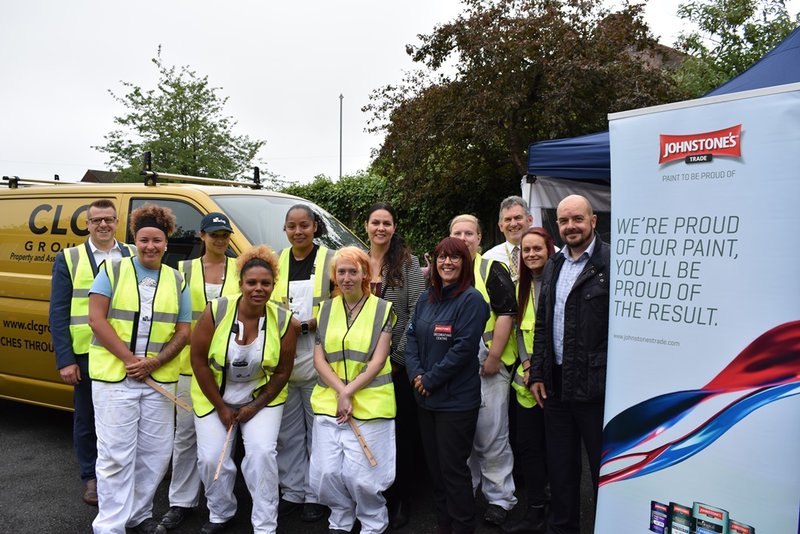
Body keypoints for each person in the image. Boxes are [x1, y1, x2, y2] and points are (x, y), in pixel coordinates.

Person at [88, 203, 191, 534]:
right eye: (144, 240)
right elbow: (96, 319)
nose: (151, 246)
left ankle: (138, 515)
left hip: (157, 380)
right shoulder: (113, 271)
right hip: (116, 377)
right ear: (135, 239)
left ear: (166, 242)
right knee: (116, 455)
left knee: (156, 454)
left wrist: (155, 362)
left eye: (157, 241)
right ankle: (110, 525)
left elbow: (184, 330)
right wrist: (131, 361)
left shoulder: (177, 280)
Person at [191, 245, 296, 534]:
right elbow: (198, 361)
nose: (258, 288)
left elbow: (283, 372)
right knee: (212, 457)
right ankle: (221, 512)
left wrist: (254, 407)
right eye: (252, 282)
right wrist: (222, 407)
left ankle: (264, 524)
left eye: (266, 283)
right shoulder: (216, 311)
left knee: (262, 454)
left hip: (260, 397)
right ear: (240, 284)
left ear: (274, 285)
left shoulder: (286, 321)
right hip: (214, 394)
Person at [530, 195, 609, 534]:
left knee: (603, 471)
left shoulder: (612, 263)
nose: (570, 226)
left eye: (577, 219)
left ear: (593, 220)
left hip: (597, 386)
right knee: (561, 469)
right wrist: (537, 372)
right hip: (556, 385)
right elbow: (543, 323)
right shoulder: (554, 264)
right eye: (564, 221)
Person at [49, 199, 135, 507]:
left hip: (126, 349)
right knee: (87, 417)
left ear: (116, 222)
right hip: (86, 352)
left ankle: (126, 470)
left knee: (126, 415)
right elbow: (58, 313)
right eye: (97, 220)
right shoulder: (69, 258)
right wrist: (66, 359)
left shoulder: (132, 253)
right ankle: (91, 477)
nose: (103, 225)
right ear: (87, 224)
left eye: (109, 219)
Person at [159, 212, 240, 530]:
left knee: (221, 439)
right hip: (188, 367)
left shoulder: (241, 269)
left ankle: (220, 502)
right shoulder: (183, 271)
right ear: (202, 237)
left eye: (224, 235)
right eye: (213, 234)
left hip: (230, 368)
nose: (219, 240)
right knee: (185, 437)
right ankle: (181, 501)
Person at [308, 246, 397, 534]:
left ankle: (373, 521)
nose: (347, 277)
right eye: (341, 272)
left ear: (365, 275)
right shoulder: (324, 310)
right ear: (334, 276)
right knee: (325, 473)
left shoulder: (382, 309)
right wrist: (340, 392)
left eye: (353, 271)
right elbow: (319, 358)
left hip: (371, 404)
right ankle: (341, 515)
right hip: (329, 402)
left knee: (363, 477)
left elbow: (378, 360)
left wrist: (349, 393)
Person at [405, 237, 489, 534]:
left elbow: (464, 349)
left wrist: (430, 379)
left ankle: (464, 526)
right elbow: (411, 337)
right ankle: (444, 525)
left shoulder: (472, 301)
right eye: (441, 257)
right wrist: (416, 373)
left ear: (465, 263)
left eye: (455, 258)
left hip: (455, 402)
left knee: (453, 471)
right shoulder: (426, 298)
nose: (447, 263)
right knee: (436, 471)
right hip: (426, 399)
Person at [450, 214, 518, 526]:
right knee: (463, 437)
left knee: (492, 437)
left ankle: (501, 499)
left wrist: (493, 358)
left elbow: (506, 313)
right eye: (457, 233)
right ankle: (469, 492)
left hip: (485, 368)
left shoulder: (491, 268)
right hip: (455, 371)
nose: (463, 238)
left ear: (479, 238)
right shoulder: (445, 270)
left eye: (469, 233)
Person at [364, 202, 426, 529]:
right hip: (361, 365)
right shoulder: (356, 261)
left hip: (396, 365)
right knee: (370, 430)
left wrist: (399, 358)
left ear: (394, 227)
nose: (381, 229)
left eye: (387, 223)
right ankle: (372, 495)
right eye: (376, 222)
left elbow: (417, 310)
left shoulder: (408, 263)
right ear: (366, 226)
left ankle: (402, 497)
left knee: (400, 432)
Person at [272, 204, 334, 523]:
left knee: (318, 428)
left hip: (317, 353)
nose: (298, 232)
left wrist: (306, 325)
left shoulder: (329, 261)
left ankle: (316, 494)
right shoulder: (277, 261)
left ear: (315, 227)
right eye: (292, 226)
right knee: (288, 432)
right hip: (284, 356)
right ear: (285, 229)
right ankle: (293, 491)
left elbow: (338, 303)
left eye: (304, 226)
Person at [501, 228, 556, 534]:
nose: (532, 254)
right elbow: (520, 331)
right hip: (525, 383)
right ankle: (535, 509)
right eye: (526, 250)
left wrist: (539, 370)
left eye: (538, 249)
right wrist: (525, 363)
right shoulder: (519, 286)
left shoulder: (558, 282)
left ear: (549, 250)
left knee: (556, 451)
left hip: (553, 381)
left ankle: (558, 512)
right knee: (528, 448)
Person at [482, 196, 534, 283]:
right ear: (501, 226)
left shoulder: (550, 252)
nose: (513, 224)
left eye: (518, 218)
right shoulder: (488, 259)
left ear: (529, 220)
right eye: (508, 219)